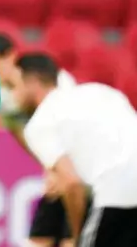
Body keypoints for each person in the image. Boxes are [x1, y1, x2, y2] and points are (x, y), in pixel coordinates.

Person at [13, 53, 137, 247]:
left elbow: (71, 183)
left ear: (32, 83)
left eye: (15, 86)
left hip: (116, 195)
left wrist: (78, 234)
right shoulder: (101, 91)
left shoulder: (41, 122)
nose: (13, 95)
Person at [0, 33, 78, 247]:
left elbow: (75, 133)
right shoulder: (0, 100)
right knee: (41, 235)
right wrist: (51, 168)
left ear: (9, 56)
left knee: (70, 234)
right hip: (56, 166)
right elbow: (23, 139)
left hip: (78, 165)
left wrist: (61, 171)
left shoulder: (58, 82)